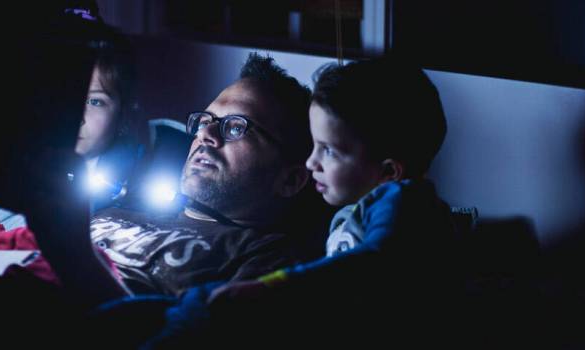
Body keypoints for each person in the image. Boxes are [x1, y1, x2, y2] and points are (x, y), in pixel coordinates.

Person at [0, 53, 329, 307]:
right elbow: (20, 253)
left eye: (237, 127)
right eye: (204, 120)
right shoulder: (124, 207)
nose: (204, 134)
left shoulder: (267, 260)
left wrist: (77, 260)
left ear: (291, 180)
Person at [136, 57, 463, 348]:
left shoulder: (403, 203)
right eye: (205, 121)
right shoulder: (351, 216)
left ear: (388, 172)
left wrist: (271, 287)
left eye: (328, 150)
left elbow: (366, 264)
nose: (311, 163)